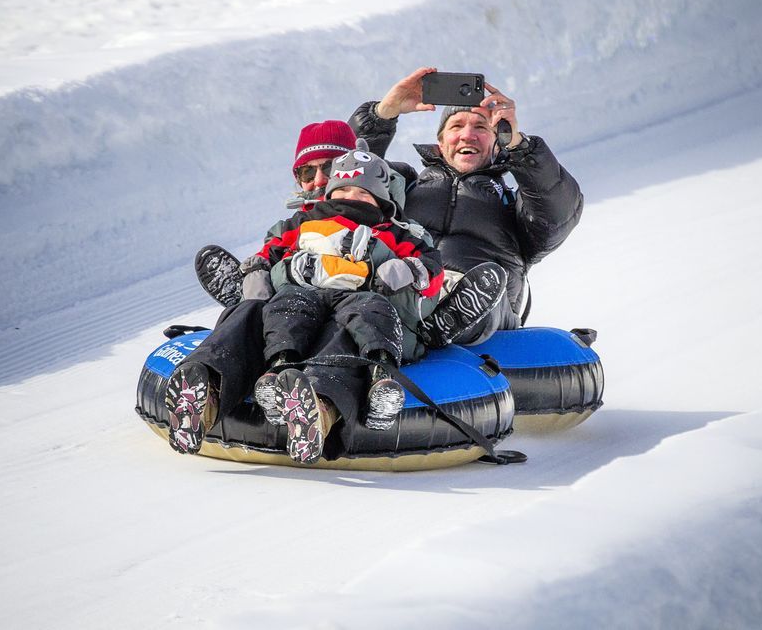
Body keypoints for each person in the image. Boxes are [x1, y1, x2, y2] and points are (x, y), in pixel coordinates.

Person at [243, 139, 444, 464]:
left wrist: (408, 268)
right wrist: (257, 271)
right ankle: (279, 371)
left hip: (364, 307)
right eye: (344, 191)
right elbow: (271, 251)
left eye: (362, 193)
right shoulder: (306, 222)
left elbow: (432, 268)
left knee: (365, 314)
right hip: (309, 298)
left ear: (380, 200)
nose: (351, 198)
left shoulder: (396, 231)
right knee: (287, 307)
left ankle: (379, 378)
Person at [348, 67, 584, 344]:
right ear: (440, 141)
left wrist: (520, 147)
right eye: (456, 126)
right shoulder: (405, 185)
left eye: (481, 127)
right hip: (407, 293)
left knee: (485, 289)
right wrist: (382, 114)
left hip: (484, 315)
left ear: (499, 143)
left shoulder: (514, 204)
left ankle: (448, 319)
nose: (467, 135)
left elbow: (558, 212)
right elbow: (343, 178)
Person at [165, 120, 358, 455]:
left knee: (342, 332)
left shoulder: (377, 216)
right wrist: (257, 278)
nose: (319, 181)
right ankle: (203, 390)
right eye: (306, 173)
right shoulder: (288, 229)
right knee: (251, 313)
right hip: (289, 315)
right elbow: (267, 257)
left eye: (329, 168)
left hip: (341, 314)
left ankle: (317, 413)